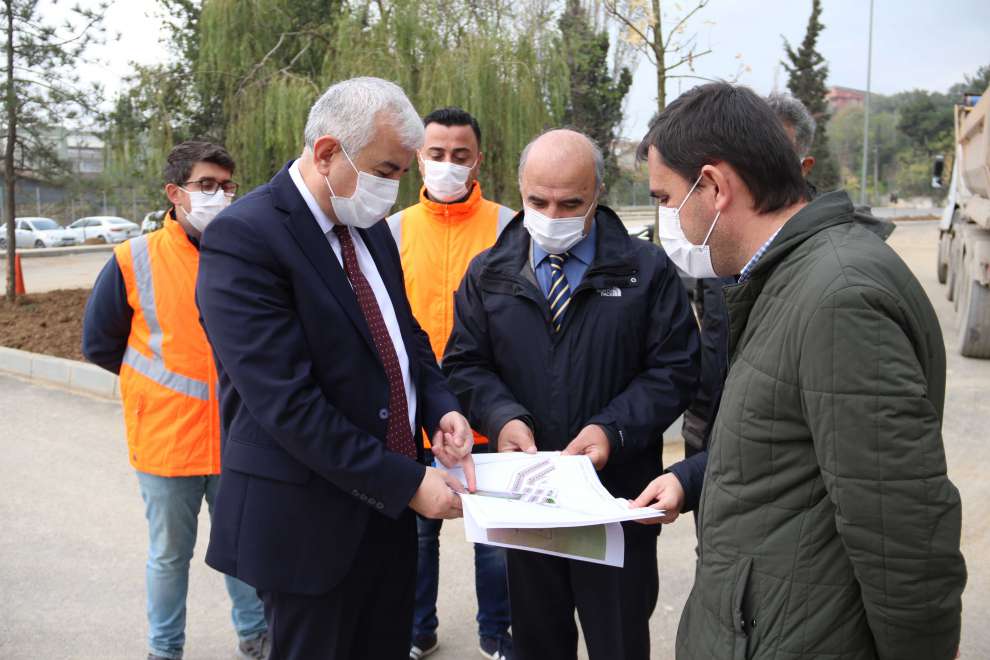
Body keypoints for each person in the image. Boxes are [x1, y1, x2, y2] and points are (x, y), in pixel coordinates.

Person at [633, 82, 966, 659]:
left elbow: (901, 531)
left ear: (713, 187)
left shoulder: (838, 297)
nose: (667, 222)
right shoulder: (787, 279)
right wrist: (691, 481)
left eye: (666, 199)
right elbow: (782, 448)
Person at [196, 77, 477, 660]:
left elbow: (406, 339)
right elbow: (287, 404)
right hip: (306, 524)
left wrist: (442, 406)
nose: (395, 190)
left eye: (402, 171)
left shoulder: (368, 229)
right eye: (386, 171)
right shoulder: (245, 238)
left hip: (387, 513)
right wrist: (406, 482)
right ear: (327, 154)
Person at [442, 128, 700, 660]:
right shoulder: (488, 273)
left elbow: (674, 369)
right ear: (519, 190)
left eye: (571, 202)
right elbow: (465, 364)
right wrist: (502, 415)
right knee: (537, 643)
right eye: (538, 200)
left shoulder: (645, 272)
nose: (552, 214)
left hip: (615, 502)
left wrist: (612, 429)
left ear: (598, 193)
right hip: (527, 505)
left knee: (620, 641)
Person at [81, 141, 269, 660]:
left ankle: (255, 637)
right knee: (169, 557)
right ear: (175, 193)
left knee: (242, 550)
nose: (220, 195)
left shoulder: (246, 252)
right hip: (167, 442)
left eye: (227, 186)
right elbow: (100, 344)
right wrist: (156, 391)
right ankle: (164, 651)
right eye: (206, 185)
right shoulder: (133, 258)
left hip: (237, 436)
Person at [387, 107, 515, 660]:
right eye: (436, 154)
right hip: (415, 411)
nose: (447, 164)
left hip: (487, 409)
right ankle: (417, 630)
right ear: (418, 157)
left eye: (459, 155)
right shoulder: (387, 231)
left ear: (477, 159)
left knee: (494, 539)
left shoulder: (509, 227)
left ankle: (498, 633)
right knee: (418, 533)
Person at [678, 92, 821, 492]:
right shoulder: (717, 242)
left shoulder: (829, 273)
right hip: (710, 440)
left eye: (773, 156)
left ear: (802, 166)